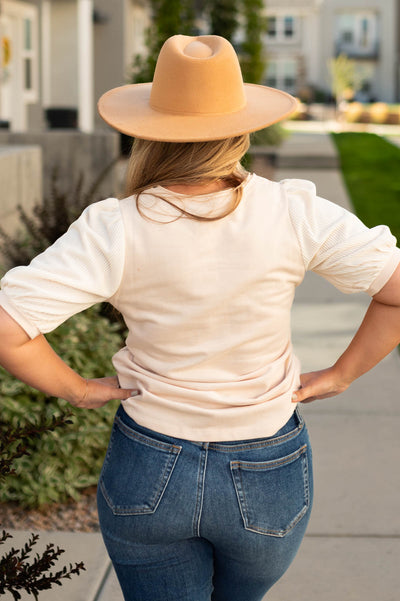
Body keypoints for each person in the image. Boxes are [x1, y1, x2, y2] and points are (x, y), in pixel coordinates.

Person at [0, 34, 400, 601]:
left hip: (150, 462)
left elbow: (7, 326)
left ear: (149, 131)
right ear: (241, 127)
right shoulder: (294, 212)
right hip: (267, 467)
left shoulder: (116, 226)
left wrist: (79, 390)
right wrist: (342, 375)